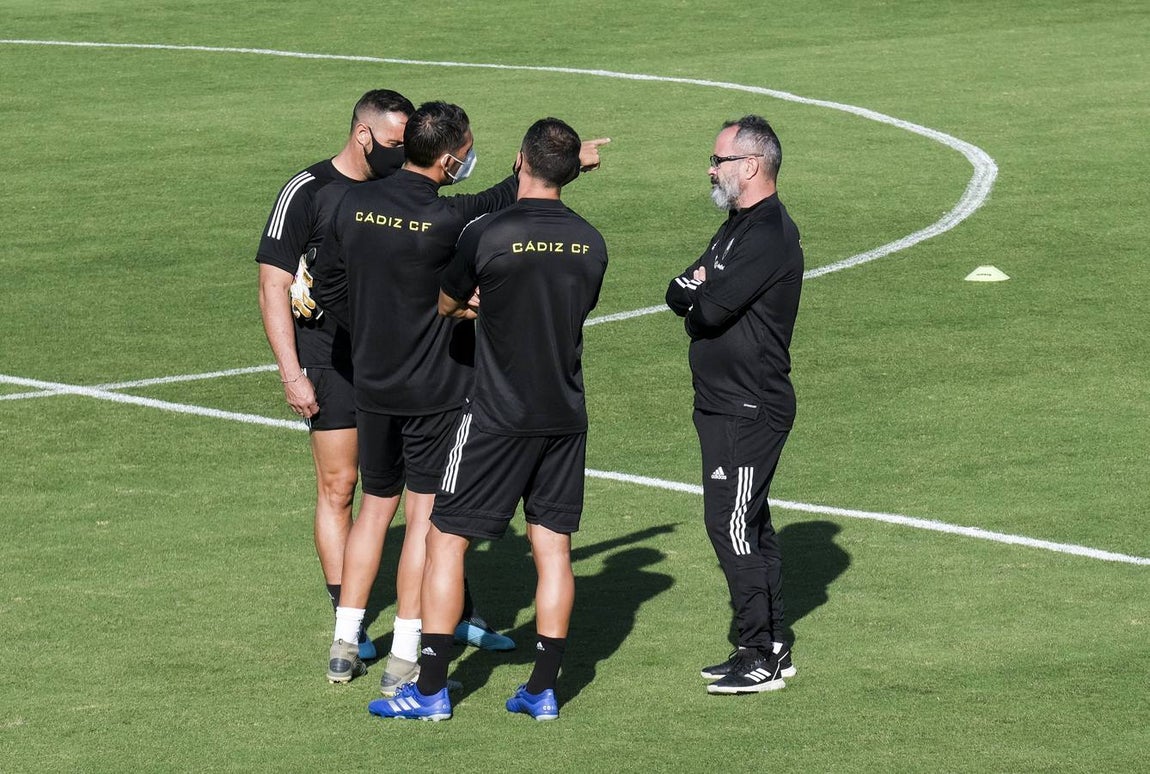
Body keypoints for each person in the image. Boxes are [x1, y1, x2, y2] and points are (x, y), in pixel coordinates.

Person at [313, 103, 607, 693]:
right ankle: (403, 653)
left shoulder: (350, 204)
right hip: (438, 389)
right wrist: (568, 162)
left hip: (370, 382)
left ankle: (344, 641)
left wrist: (371, 331)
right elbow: (505, 201)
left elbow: (327, 286)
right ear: (450, 158)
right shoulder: (450, 221)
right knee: (425, 519)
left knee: (375, 508)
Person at [256, 89, 414, 662]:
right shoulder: (308, 190)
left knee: (419, 493)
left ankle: (454, 610)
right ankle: (349, 619)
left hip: (398, 361)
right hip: (328, 358)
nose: (404, 155)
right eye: (397, 145)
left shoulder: (402, 187)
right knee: (340, 486)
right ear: (364, 136)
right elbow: (273, 282)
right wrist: (292, 373)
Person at [664, 115, 803, 695]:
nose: (710, 168)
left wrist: (699, 295)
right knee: (751, 523)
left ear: (750, 166)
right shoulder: (735, 227)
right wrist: (696, 293)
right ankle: (768, 643)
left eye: (718, 159)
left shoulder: (768, 234)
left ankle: (757, 654)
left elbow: (707, 311)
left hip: (748, 406)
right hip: (724, 403)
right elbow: (676, 292)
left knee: (731, 524)